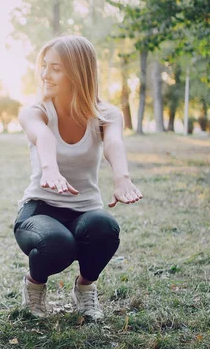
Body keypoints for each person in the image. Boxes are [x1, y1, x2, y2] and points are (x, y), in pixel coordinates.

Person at [14, 35, 143, 320]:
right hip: (40, 210)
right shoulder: (36, 111)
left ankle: (85, 288)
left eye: (56, 68)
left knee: (105, 226)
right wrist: (50, 169)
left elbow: (113, 144)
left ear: (78, 72)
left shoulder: (106, 113)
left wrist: (121, 178)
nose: (45, 74)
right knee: (57, 243)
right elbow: (43, 135)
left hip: (85, 209)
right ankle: (34, 285)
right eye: (44, 66)